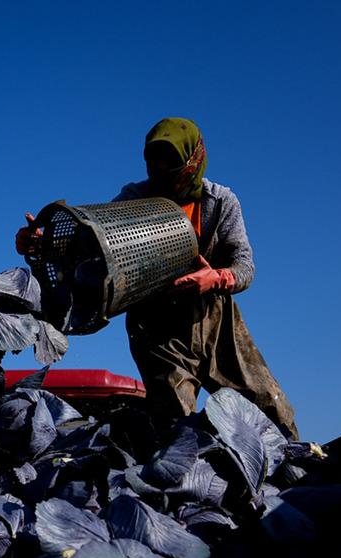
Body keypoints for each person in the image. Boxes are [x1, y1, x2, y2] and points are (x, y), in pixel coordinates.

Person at [16, 117, 299, 438]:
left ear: (194, 161)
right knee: (176, 426)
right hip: (156, 327)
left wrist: (215, 279)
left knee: (269, 406)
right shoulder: (135, 198)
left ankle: (302, 470)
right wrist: (42, 243)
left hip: (215, 321)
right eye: (156, 165)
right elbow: (89, 244)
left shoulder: (220, 203)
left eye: (173, 167)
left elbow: (245, 266)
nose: (164, 175)